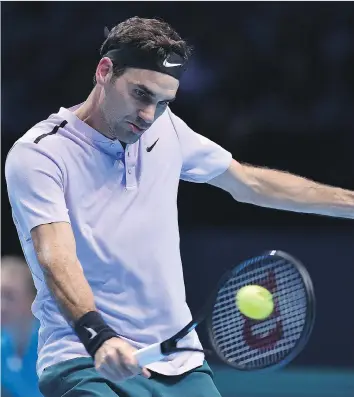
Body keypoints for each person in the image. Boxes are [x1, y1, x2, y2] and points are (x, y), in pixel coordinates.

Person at [4, 16, 353, 397]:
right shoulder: (40, 154)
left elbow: (250, 183)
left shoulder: (165, 129)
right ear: (105, 71)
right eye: (141, 94)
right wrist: (97, 335)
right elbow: (56, 256)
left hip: (180, 362)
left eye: (163, 101)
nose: (149, 115)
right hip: (87, 358)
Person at [1, 255, 43, 397]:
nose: (1, 306)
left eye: (9, 296)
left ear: (32, 300)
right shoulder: (2, 347)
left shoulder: (52, 343)